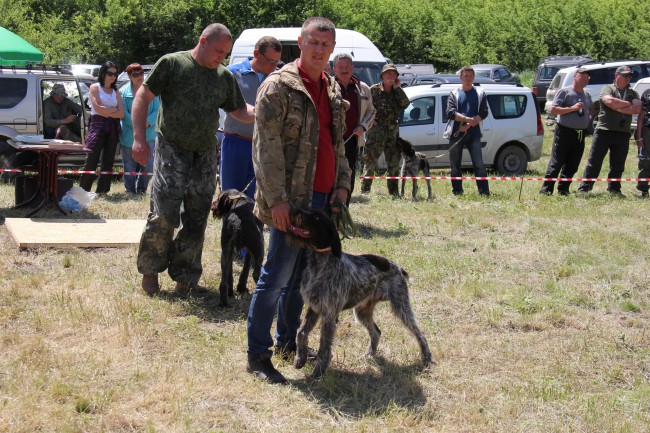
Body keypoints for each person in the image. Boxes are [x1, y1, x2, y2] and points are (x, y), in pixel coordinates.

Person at [246, 17, 351, 384]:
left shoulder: (332, 87)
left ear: (332, 48)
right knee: (276, 276)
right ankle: (258, 356)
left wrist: (342, 186)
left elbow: (337, 143)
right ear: (300, 43)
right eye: (313, 42)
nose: (319, 50)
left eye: (326, 44)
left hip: (323, 198)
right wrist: (277, 201)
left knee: (301, 279)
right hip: (291, 201)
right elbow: (265, 149)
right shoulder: (277, 87)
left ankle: (288, 344)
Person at [131, 23, 254, 296]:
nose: (221, 57)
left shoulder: (223, 76)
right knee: (164, 215)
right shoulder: (172, 64)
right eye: (218, 51)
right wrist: (139, 138)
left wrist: (263, 110)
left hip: (205, 153)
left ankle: (185, 277)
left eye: (226, 53)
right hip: (171, 149)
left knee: (197, 217)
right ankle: (150, 272)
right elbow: (143, 97)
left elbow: (239, 110)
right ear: (203, 41)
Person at [220, 36, 282, 199]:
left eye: (276, 62)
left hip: (265, 145)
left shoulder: (278, 78)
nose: (274, 66)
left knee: (257, 198)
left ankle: (253, 218)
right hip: (236, 142)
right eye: (270, 61)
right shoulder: (232, 73)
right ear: (256, 53)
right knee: (230, 195)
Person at [578, 66, 642, 196]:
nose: (628, 78)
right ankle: (585, 188)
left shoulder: (633, 92)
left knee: (618, 164)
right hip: (604, 130)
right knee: (595, 161)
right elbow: (608, 100)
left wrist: (616, 106)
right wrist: (627, 104)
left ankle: (614, 189)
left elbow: (636, 109)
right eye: (625, 75)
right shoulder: (608, 88)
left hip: (623, 132)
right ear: (616, 75)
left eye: (629, 76)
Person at [540, 67, 595, 195]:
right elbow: (554, 109)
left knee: (573, 162)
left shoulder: (586, 94)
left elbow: (592, 108)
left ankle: (563, 189)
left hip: (580, 133)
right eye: (582, 76)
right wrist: (572, 108)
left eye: (587, 77)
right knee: (557, 161)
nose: (585, 79)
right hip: (564, 131)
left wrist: (588, 118)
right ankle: (546, 190)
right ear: (575, 76)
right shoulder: (565, 92)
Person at [360, 64, 409, 197]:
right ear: (382, 75)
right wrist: (369, 121)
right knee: (370, 162)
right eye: (388, 74)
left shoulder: (397, 91)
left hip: (392, 131)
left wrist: (397, 89)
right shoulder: (373, 90)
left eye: (393, 74)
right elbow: (364, 107)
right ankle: (365, 191)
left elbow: (405, 104)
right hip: (376, 130)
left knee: (393, 162)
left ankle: (394, 192)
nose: (390, 76)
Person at [332, 53, 375, 200]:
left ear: (352, 68)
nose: (344, 70)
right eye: (340, 67)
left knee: (348, 173)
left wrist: (363, 127)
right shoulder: (327, 86)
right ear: (334, 69)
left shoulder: (363, 88)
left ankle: (345, 205)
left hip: (352, 139)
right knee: (330, 173)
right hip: (331, 138)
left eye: (347, 67)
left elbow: (371, 111)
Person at [79, 61, 124, 194]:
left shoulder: (116, 90)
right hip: (97, 125)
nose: (113, 76)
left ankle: (103, 191)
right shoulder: (95, 87)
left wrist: (106, 110)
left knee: (108, 160)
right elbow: (98, 110)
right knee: (91, 158)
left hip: (112, 126)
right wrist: (113, 110)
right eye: (110, 73)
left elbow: (121, 113)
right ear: (103, 73)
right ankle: (83, 190)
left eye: (115, 74)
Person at [445, 65, 490, 196]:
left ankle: (484, 192)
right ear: (461, 77)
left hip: (474, 134)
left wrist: (470, 123)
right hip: (456, 133)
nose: (468, 78)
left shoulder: (480, 93)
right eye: (465, 76)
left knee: (479, 164)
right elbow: (450, 113)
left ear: (473, 77)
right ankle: (457, 191)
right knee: (455, 165)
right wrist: (465, 120)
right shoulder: (454, 94)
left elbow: (484, 112)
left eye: (470, 76)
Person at [119, 63, 160, 194]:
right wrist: (139, 124)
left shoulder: (151, 90)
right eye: (135, 74)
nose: (139, 76)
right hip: (129, 136)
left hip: (149, 135)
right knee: (129, 165)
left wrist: (148, 122)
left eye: (141, 73)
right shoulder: (122, 92)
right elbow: (123, 114)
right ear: (129, 76)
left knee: (149, 165)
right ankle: (130, 190)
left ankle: (142, 189)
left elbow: (157, 110)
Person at [635, 87, 650, 198]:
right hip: (647, 131)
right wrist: (639, 137)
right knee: (645, 160)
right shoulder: (647, 94)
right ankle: (643, 189)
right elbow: (641, 117)